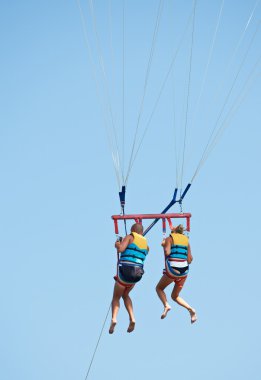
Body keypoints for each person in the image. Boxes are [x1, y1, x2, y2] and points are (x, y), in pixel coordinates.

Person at [109, 223, 149, 334]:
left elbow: (121, 249)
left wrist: (118, 244)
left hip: (126, 271)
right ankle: (132, 318)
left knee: (116, 297)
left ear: (132, 230)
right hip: (137, 274)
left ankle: (114, 319)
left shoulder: (129, 237)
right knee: (125, 295)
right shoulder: (146, 243)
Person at [156, 224, 197, 323]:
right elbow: (190, 259)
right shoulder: (186, 241)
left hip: (173, 271)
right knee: (175, 296)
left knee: (159, 288)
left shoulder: (169, 239)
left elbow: (167, 252)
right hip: (184, 272)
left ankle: (166, 305)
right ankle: (191, 310)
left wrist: (164, 245)